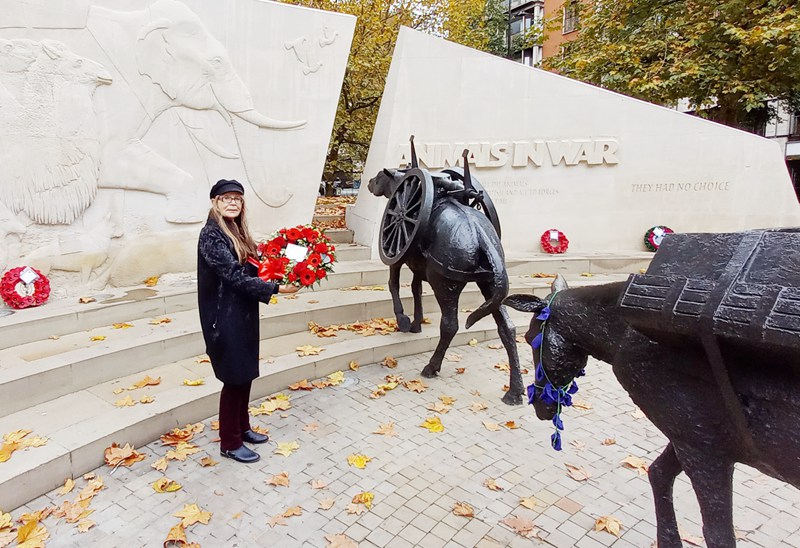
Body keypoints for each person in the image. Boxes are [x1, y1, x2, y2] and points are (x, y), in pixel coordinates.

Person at [197, 179, 299, 463]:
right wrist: (278, 289)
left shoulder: (237, 231)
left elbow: (259, 262)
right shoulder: (211, 235)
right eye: (226, 198)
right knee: (233, 379)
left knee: (245, 373)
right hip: (222, 319)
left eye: (237, 199)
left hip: (243, 314)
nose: (232, 203)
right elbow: (233, 275)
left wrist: (300, 257)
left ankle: (242, 428)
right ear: (215, 202)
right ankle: (229, 442)